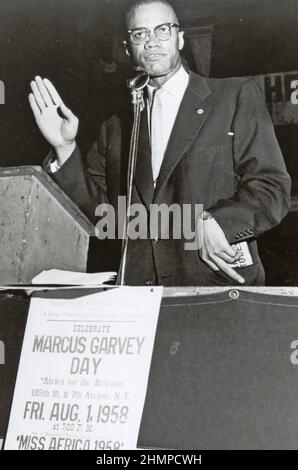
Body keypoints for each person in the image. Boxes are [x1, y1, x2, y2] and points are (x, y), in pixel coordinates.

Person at [28, 0, 291, 286]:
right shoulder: (115, 128)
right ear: (129, 50)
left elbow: (272, 187)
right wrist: (64, 148)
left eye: (162, 30)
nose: (152, 42)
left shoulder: (234, 97)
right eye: (140, 34)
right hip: (139, 292)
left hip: (216, 282)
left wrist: (220, 221)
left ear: (179, 38)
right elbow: (102, 216)